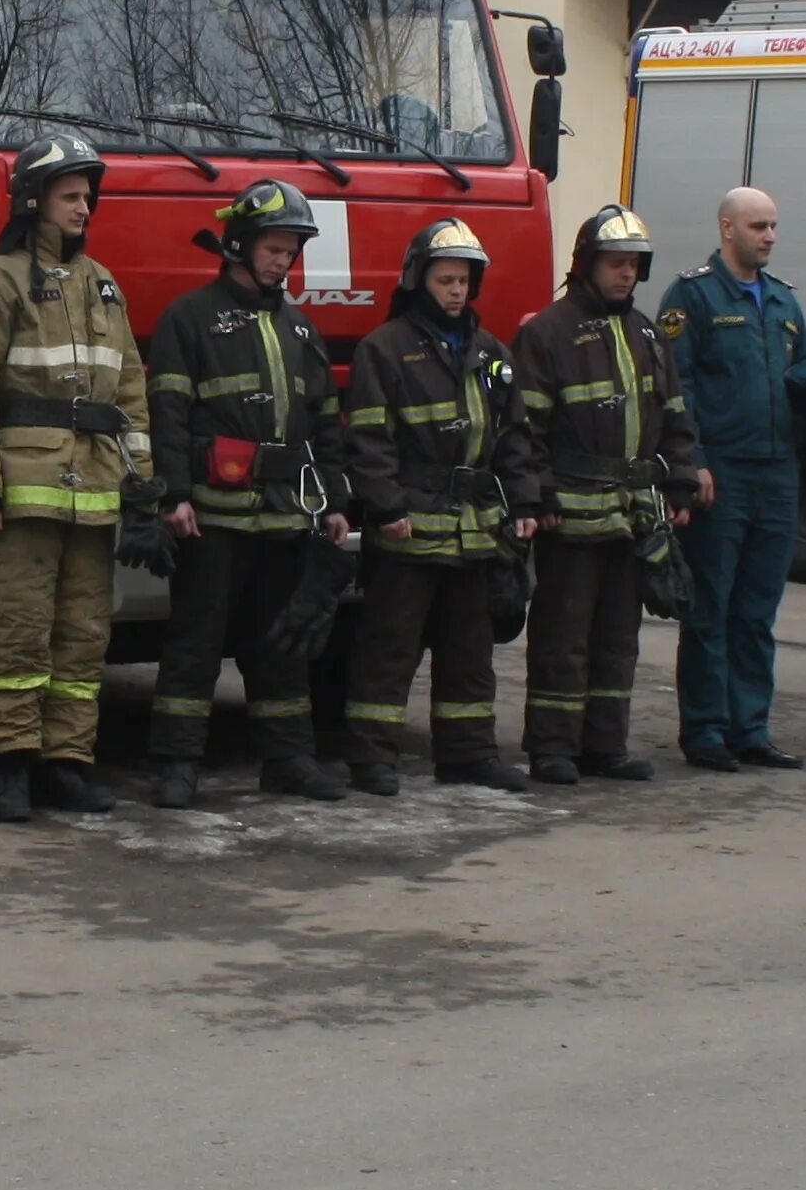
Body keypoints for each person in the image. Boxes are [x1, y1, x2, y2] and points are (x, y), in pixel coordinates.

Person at [0, 135, 153, 823]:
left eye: (87, 196)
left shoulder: (102, 285)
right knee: (16, 631)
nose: (83, 206)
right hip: (25, 487)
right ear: (33, 200)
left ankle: (67, 764)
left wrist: (142, 487)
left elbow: (129, 390)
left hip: (92, 490)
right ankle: (8, 765)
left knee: (83, 634)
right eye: (69, 195)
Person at [143, 181, 353, 808]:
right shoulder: (190, 317)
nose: (282, 260)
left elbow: (324, 424)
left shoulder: (301, 330)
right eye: (273, 247)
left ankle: (288, 759)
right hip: (210, 516)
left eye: (290, 250)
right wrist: (173, 494)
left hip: (284, 518)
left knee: (282, 649)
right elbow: (169, 414)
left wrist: (336, 502)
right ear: (239, 243)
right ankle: (177, 765)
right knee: (195, 642)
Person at [340, 219, 541, 795]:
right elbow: (369, 440)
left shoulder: (491, 352)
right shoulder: (386, 348)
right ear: (418, 281)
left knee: (469, 649)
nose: (456, 290)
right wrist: (385, 507)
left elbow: (514, 437)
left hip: (475, 530)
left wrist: (522, 501)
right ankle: (371, 758)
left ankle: (468, 755)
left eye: (463, 281)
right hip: (409, 529)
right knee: (389, 646)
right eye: (445, 279)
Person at [512, 205, 701, 785]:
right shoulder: (547, 332)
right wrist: (535, 497)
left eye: (634, 265)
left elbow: (674, 414)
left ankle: (606, 745)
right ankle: (552, 748)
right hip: (570, 513)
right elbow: (525, 429)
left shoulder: (646, 331)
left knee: (619, 638)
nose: (626, 275)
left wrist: (681, 479)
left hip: (633, 515)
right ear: (587, 264)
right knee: (563, 637)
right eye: (616, 263)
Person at [656, 187, 806, 771]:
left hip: (777, 474)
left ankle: (750, 729)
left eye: (773, 226)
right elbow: (678, 386)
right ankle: (707, 732)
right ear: (727, 229)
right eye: (758, 226)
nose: (769, 236)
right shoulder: (692, 296)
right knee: (711, 606)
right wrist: (695, 461)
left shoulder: (785, 302)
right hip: (724, 473)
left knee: (757, 611)